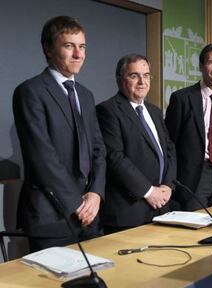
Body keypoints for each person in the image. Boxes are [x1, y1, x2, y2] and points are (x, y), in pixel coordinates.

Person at [12, 16, 106, 251]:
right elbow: (42, 158)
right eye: (68, 46)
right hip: (51, 216)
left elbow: (98, 150)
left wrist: (95, 194)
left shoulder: (85, 95)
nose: (78, 54)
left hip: (91, 215)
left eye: (82, 46)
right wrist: (77, 204)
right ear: (47, 48)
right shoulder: (30, 92)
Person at [96, 54, 176, 234]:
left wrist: (168, 186)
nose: (142, 81)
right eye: (134, 76)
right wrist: (149, 192)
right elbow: (115, 158)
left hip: (161, 207)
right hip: (129, 212)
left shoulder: (154, 111)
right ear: (119, 80)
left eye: (146, 75)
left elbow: (170, 150)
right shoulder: (107, 110)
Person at [165, 44, 212, 211]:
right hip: (193, 178)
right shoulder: (182, 98)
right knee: (192, 229)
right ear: (200, 66)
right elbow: (169, 144)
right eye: (211, 62)